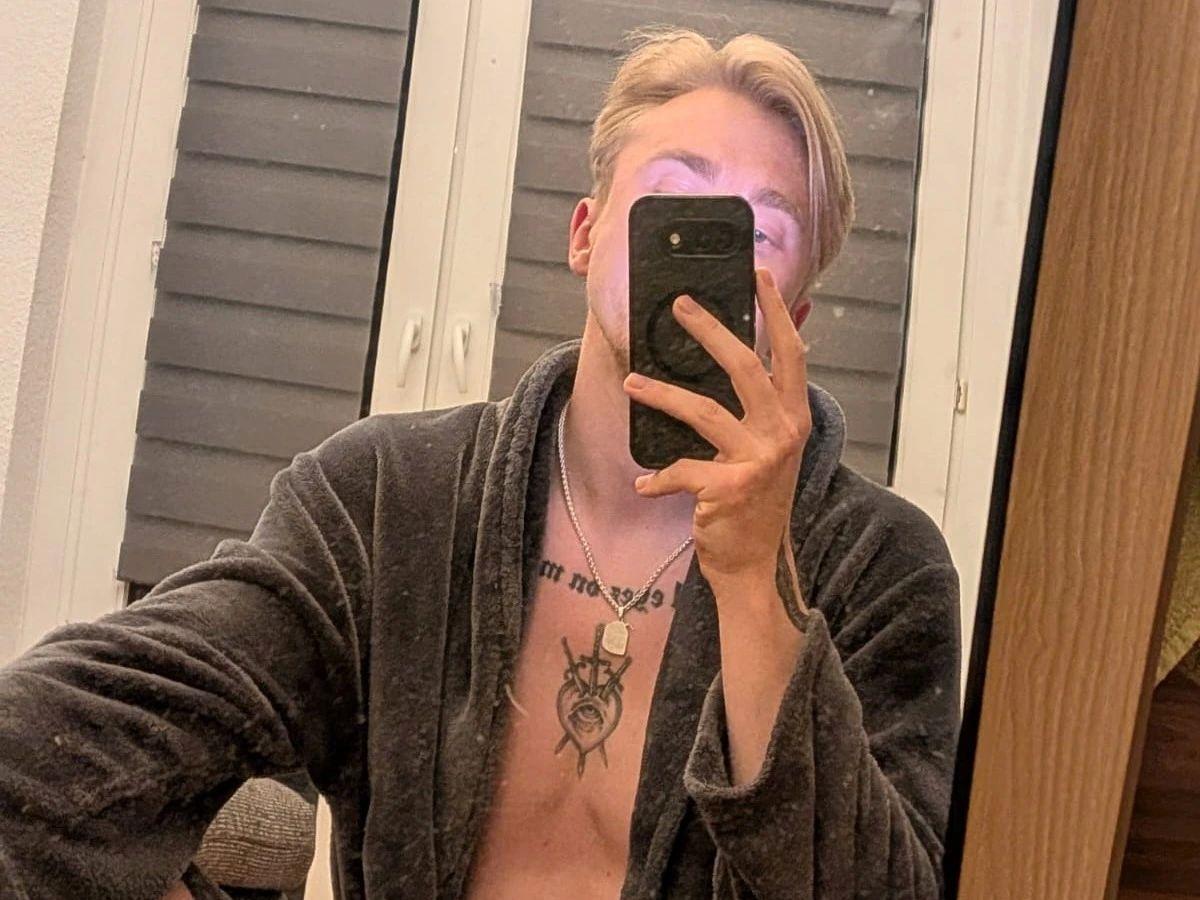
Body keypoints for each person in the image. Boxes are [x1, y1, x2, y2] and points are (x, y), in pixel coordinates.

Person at [0, 28, 962, 900]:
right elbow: (41, 760)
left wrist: (756, 582)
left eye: (761, 231)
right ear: (586, 235)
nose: (703, 247)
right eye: (673, 196)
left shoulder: (879, 566)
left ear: (791, 314)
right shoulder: (388, 502)